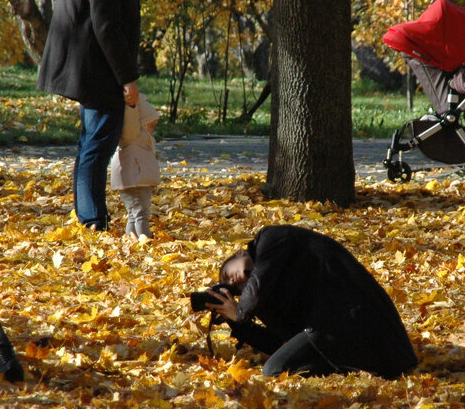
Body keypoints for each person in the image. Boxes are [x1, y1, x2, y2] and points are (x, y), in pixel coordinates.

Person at [37, 0, 152, 230]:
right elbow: (107, 27)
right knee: (98, 146)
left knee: (92, 145)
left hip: (91, 69)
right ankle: (92, 220)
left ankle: (89, 217)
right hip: (98, 72)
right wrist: (128, 79)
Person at [205, 225, 417, 379]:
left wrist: (241, 313)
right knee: (275, 370)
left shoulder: (271, 238)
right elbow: (278, 343)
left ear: (239, 253)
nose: (232, 282)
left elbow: (258, 284)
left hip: (361, 318)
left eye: (227, 273)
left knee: (274, 371)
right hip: (332, 329)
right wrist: (237, 323)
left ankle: (357, 365)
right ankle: (353, 366)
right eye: (234, 288)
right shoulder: (265, 297)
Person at [109, 91, 160, 238]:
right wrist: (132, 106)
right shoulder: (133, 135)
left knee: (134, 212)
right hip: (135, 180)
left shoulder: (140, 139)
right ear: (141, 124)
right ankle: (145, 237)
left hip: (138, 179)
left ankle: (131, 238)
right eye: (151, 125)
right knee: (140, 213)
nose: (153, 130)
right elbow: (130, 121)